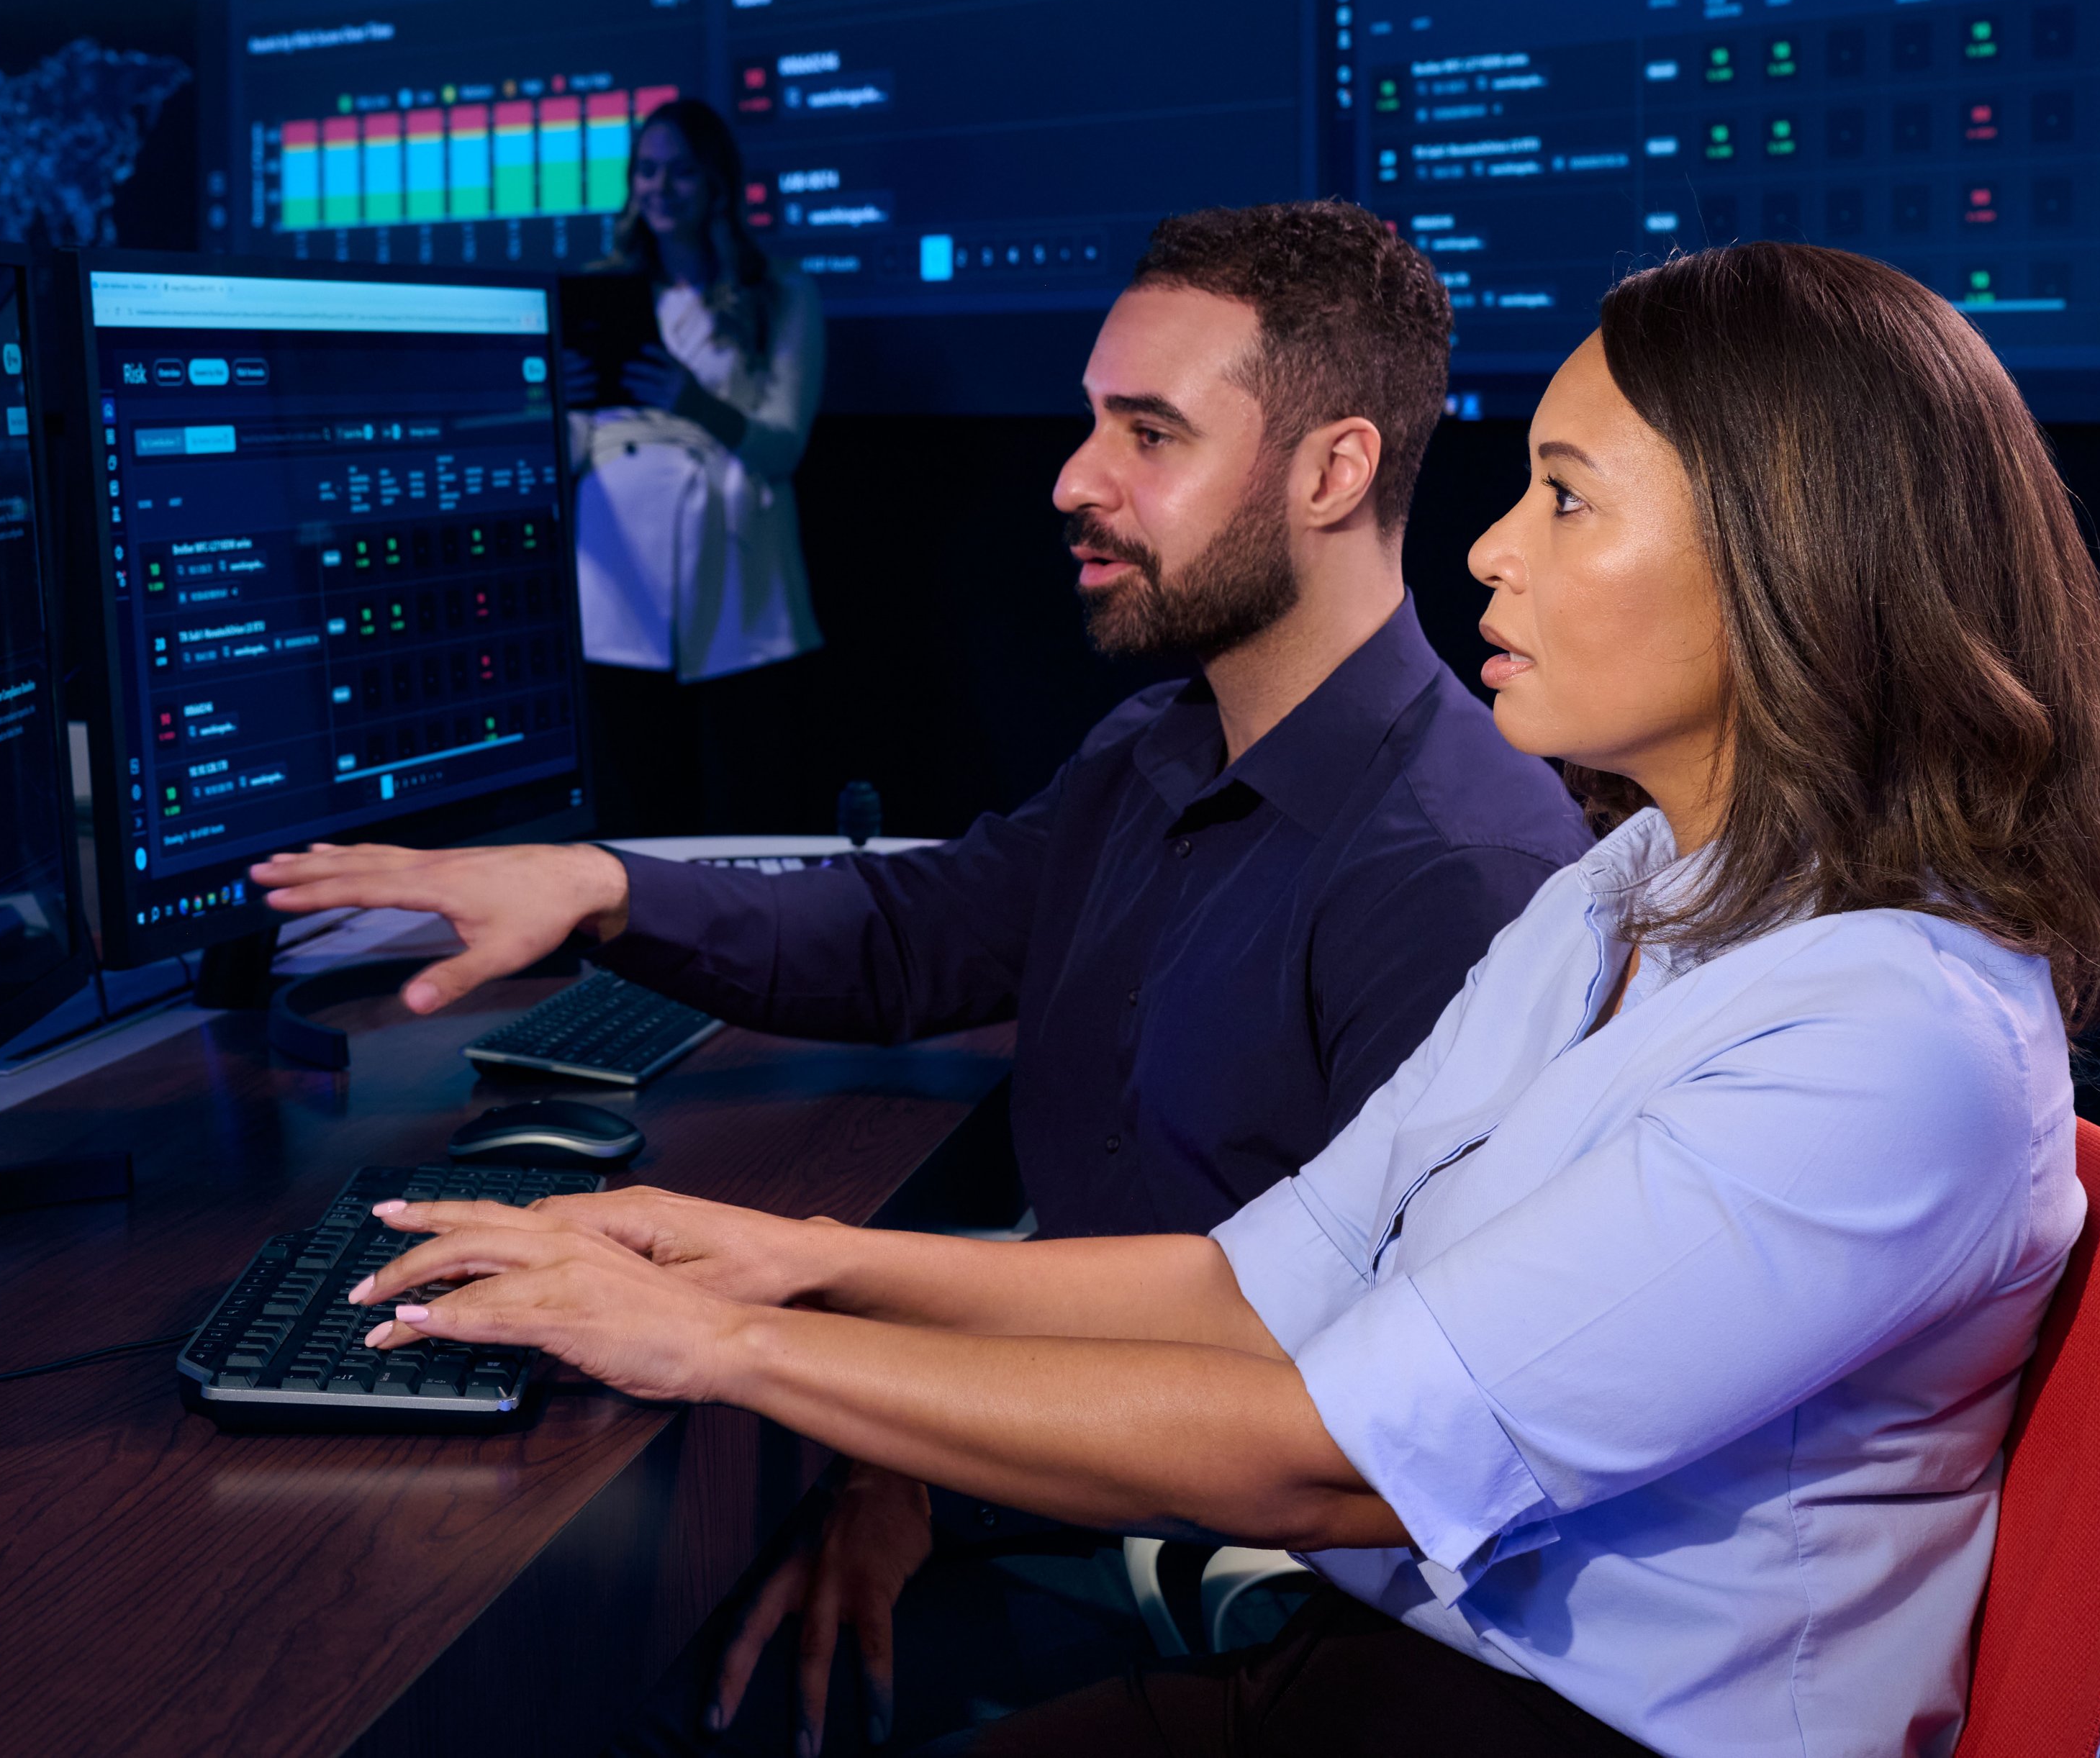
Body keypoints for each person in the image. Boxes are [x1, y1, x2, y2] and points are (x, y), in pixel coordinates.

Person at [330, 242, 2100, 1758]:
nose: (1491, 551)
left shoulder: (1886, 1042)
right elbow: (1262, 1274)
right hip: (1404, 1653)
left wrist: (730, 1348)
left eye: (1564, 498)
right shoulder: (1633, 882)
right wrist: (791, 1258)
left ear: (1791, 561)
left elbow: (1324, 1447)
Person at [256, 201, 1592, 1744]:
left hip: (1255, 1590)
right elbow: (914, 934)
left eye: (1146, 434)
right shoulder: (1159, 745)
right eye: (1092, 420)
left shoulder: (1456, 875)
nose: (1073, 481)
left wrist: (898, 1442)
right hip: (1047, 1473)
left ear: (1333, 472)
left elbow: (1349, 1425)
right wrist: (598, 886)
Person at [566, 96, 828, 835]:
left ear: (715, 182)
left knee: (754, 802)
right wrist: (553, 400)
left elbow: (781, 446)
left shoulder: (780, 293)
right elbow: (571, 452)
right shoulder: (601, 292)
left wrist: (694, 403)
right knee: (640, 807)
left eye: (680, 171)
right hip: (614, 578)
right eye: (646, 171)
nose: (660, 188)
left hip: (734, 572)